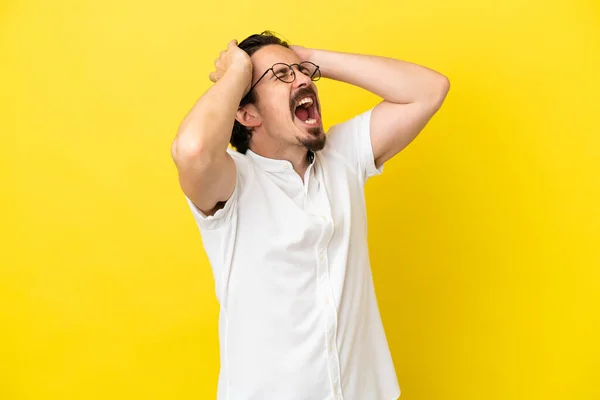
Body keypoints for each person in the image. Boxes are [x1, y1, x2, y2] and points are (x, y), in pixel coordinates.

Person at [171, 31, 449, 400]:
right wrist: (238, 70)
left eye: (303, 72)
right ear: (247, 113)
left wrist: (310, 58)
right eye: (281, 75)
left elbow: (430, 89)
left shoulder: (343, 157)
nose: (303, 80)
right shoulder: (232, 183)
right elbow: (191, 151)